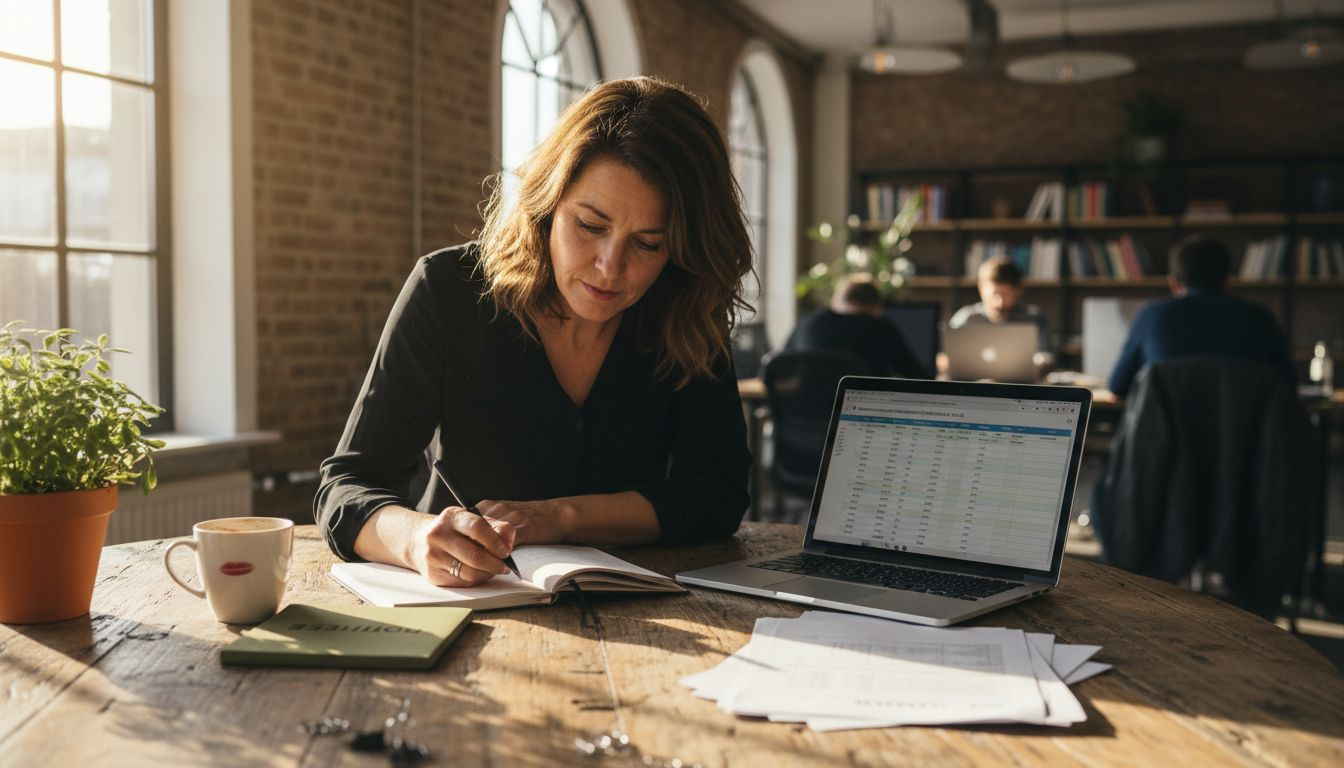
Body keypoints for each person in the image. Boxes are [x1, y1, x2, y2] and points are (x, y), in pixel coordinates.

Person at [314, 77, 755, 587]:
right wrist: (415, 539)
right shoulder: (449, 291)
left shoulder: (685, 309)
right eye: (589, 226)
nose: (610, 269)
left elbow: (718, 492)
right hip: (465, 602)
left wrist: (564, 517)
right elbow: (347, 486)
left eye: (648, 244)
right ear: (547, 206)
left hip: (643, 606)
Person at [1108, 234, 1293, 397]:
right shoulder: (1260, 318)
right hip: (1247, 436)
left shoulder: (1151, 316)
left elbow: (1118, 386)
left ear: (1174, 283)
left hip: (1164, 436)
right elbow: (1288, 384)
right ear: (1227, 280)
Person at [782, 275, 930, 377]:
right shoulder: (880, 328)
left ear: (837, 301)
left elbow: (779, 368)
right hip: (861, 418)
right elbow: (915, 375)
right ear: (877, 307)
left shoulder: (808, 323)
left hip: (804, 418)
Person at [948, 257, 1052, 354]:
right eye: (994, 295)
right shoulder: (966, 318)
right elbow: (944, 357)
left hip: (1022, 374)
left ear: (1019, 290)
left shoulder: (1033, 318)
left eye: (1007, 295)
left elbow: (1046, 355)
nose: (999, 302)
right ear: (981, 288)